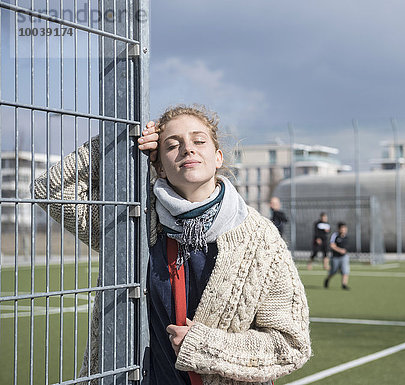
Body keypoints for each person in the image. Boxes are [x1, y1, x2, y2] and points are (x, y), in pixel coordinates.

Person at [34, 105, 311, 385]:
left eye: (199, 141)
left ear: (218, 157)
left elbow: (290, 345)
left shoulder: (260, 238)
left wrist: (205, 347)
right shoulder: (133, 221)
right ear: (159, 166)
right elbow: (51, 190)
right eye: (172, 145)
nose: (188, 149)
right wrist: (120, 139)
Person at [323, 222, 350, 290]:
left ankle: (344, 284)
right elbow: (332, 245)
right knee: (333, 271)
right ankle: (327, 279)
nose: (344, 230)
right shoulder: (335, 235)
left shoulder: (346, 237)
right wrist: (340, 250)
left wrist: (344, 251)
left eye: (345, 228)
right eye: (343, 228)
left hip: (344, 257)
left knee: (345, 271)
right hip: (335, 257)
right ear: (339, 229)